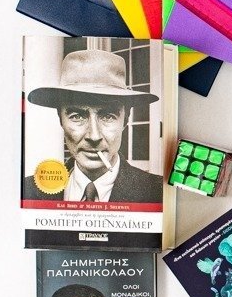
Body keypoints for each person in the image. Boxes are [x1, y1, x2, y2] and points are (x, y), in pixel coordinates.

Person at [22, 48, 162, 203]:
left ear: (126, 119)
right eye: (77, 116)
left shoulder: (157, 193)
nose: (94, 136)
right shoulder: (29, 191)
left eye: (108, 116)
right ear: (60, 119)